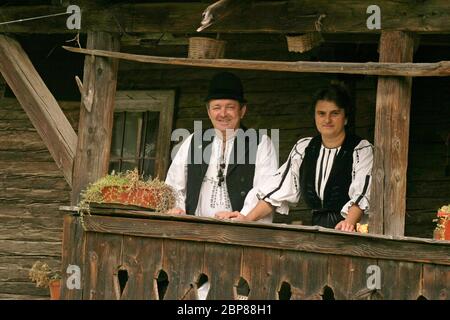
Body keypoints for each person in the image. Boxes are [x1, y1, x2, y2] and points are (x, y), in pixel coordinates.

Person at [216, 83, 373, 231]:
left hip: (352, 233)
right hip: (318, 231)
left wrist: (348, 224)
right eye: (321, 113)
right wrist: (247, 219)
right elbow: (279, 188)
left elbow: (363, 193)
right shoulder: (305, 148)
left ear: (345, 117)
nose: (327, 120)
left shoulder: (361, 150)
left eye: (335, 113)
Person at [165, 71, 278, 224]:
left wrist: (242, 217)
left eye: (230, 107)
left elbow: (265, 189)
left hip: (241, 234)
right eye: (217, 107)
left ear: (242, 110)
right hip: (195, 231)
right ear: (208, 111)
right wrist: (177, 209)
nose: (223, 114)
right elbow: (173, 185)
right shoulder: (193, 141)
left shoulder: (259, 143)